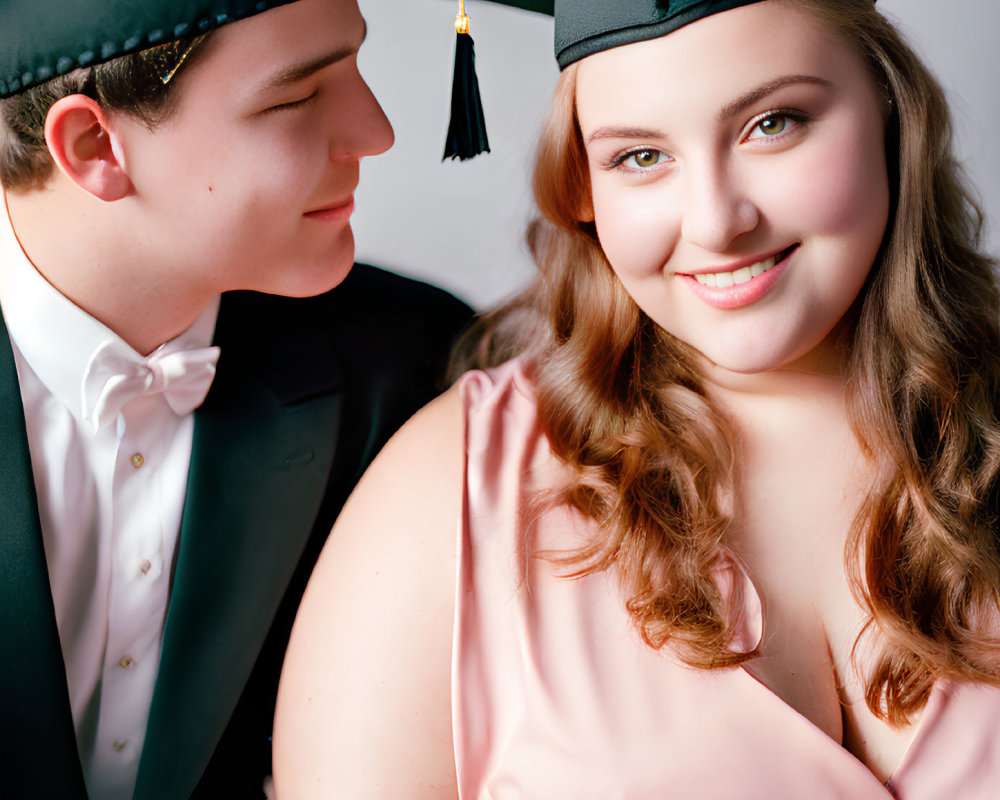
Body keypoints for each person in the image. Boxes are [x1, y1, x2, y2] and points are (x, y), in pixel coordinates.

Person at [273, 0, 1000, 796]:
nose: (718, 221)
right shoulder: (446, 499)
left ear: (892, 111)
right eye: (641, 157)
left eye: (774, 123)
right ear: (581, 183)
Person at [0, 0, 473, 797]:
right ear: (95, 147)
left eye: (354, 65)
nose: (377, 130)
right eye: (294, 98)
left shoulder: (417, 369)